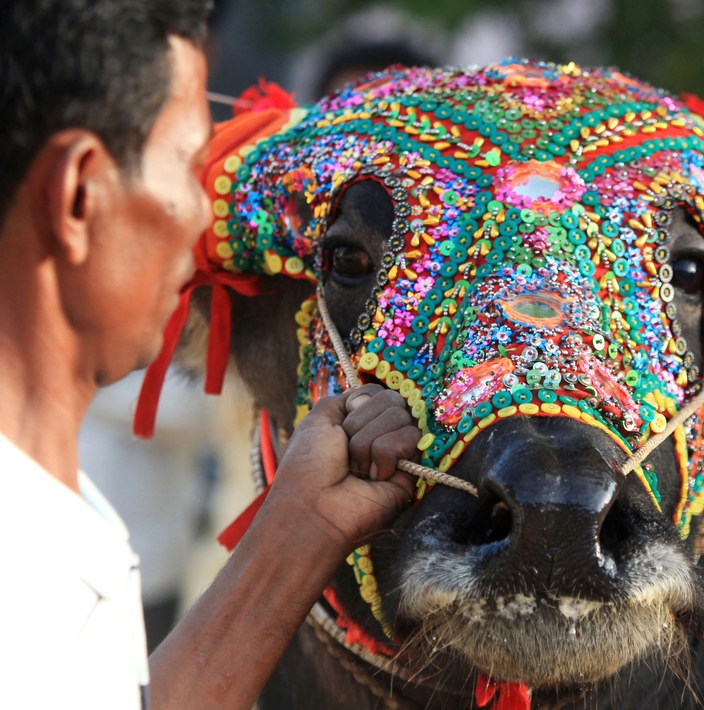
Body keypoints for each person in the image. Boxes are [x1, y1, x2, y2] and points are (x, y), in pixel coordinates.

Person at [0, 1, 418, 708]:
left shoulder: (50, 507)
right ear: (79, 194)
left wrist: (300, 530)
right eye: (190, 164)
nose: (204, 216)